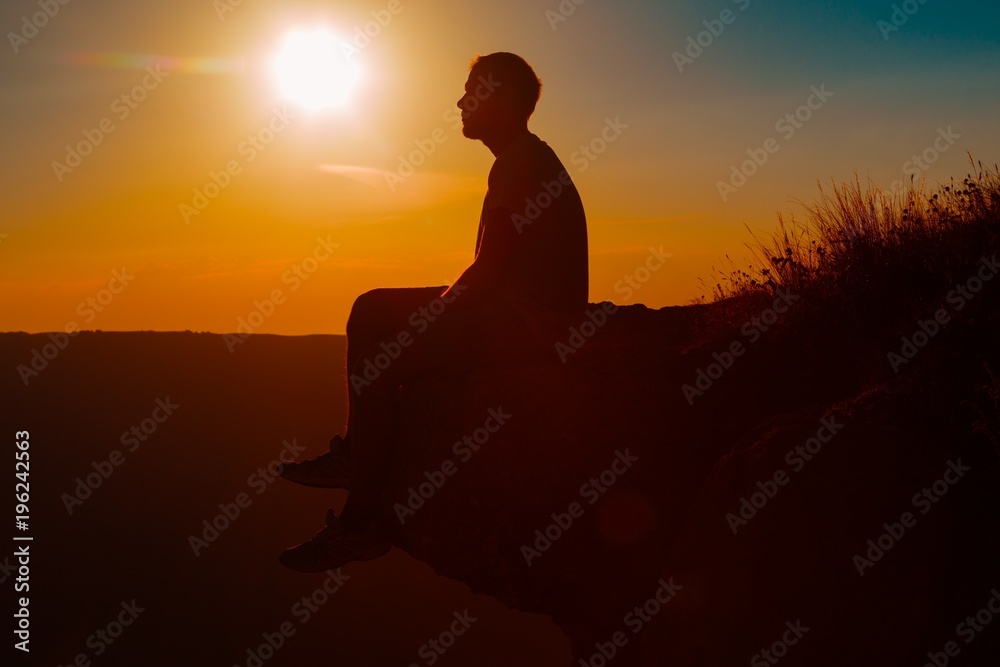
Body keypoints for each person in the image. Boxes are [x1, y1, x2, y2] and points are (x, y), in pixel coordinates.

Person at [278, 52, 589, 572]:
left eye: (474, 92)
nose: (461, 102)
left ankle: (362, 525)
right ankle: (355, 454)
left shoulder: (520, 162)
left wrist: (434, 316)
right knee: (372, 307)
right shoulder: (520, 158)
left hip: (531, 325)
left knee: (382, 360)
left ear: (506, 100)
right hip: (519, 309)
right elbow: (494, 266)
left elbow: (489, 267)